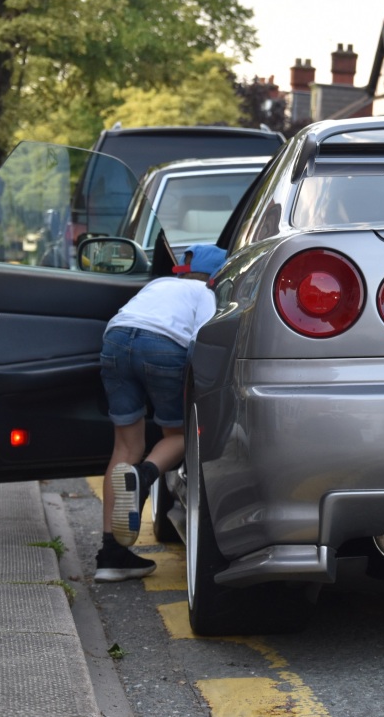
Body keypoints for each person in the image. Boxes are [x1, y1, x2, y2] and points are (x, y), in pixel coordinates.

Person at [94, 243, 226, 582]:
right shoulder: (206, 293)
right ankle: (145, 476)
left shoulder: (159, 284)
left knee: (125, 446)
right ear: (217, 275)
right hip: (163, 346)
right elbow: (202, 339)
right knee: (180, 435)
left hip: (116, 338)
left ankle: (112, 555)